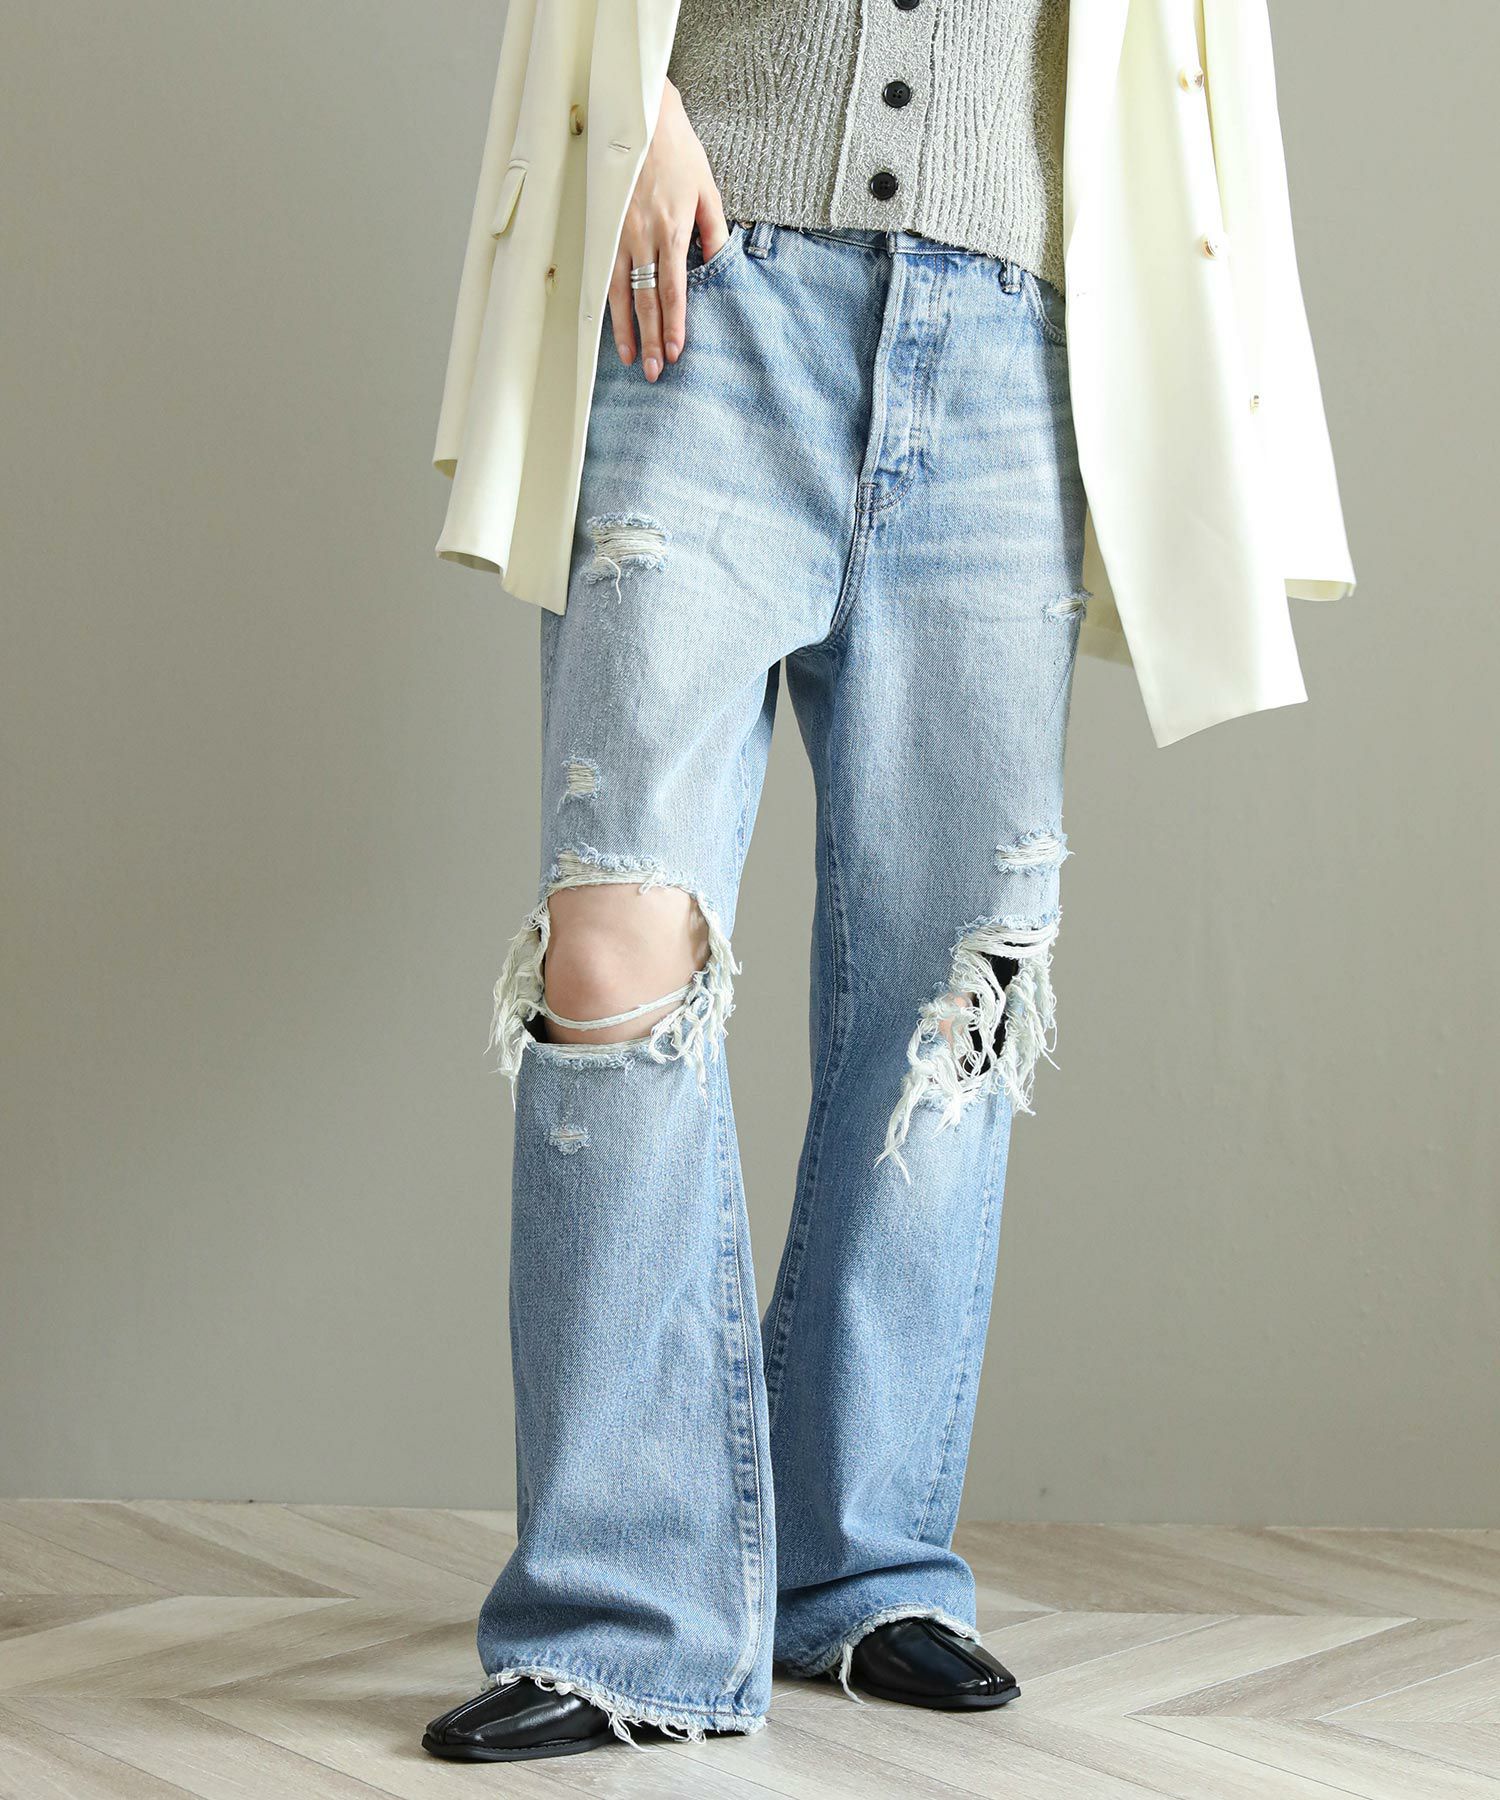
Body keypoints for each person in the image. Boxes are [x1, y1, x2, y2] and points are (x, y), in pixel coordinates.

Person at [420, 0, 1354, 1765]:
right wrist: (634, 109)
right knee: (614, 951)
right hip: (709, 283)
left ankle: (859, 1563)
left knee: (948, 987)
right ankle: (618, 1611)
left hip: (1012, 336)